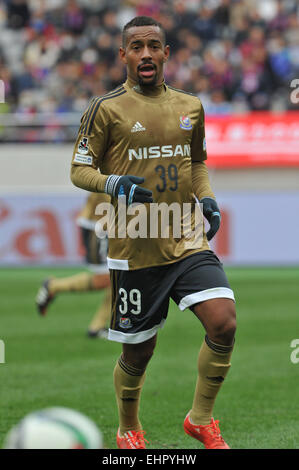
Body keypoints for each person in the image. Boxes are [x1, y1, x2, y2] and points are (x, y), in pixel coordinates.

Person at [70, 16, 236, 449]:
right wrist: (112, 183)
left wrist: (207, 197)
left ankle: (201, 419)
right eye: (137, 46)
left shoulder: (190, 105)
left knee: (224, 322)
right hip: (135, 241)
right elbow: (79, 169)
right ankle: (129, 429)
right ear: (123, 54)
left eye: (154, 46)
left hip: (185, 235)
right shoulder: (105, 109)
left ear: (166, 53)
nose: (146, 54)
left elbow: (196, 162)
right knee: (138, 352)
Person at [36, 192, 112, 339]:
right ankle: (53, 286)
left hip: (113, 224)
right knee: (105, 279)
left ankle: (97, 327)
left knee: (119, 278)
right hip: (98, 225)